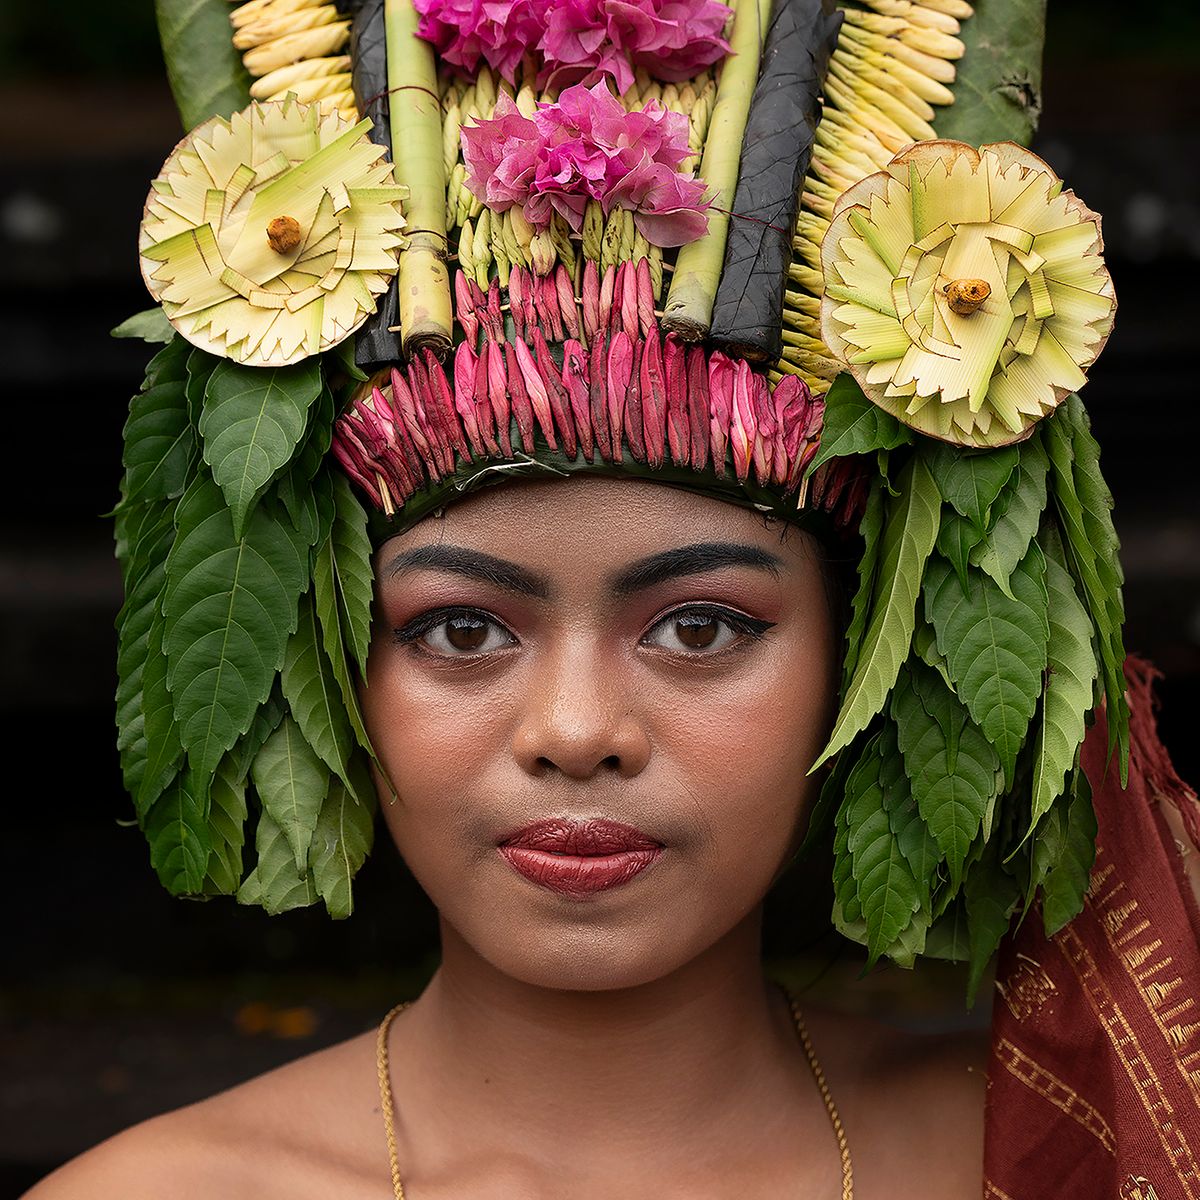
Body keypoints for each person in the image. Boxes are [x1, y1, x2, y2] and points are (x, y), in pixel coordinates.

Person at [25, 0, 1200, 1195]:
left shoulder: (1056, 1147)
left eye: (700, 628)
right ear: (322, 658)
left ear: (860, 658)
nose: (577, 734)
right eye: (462, 630)